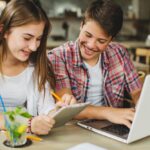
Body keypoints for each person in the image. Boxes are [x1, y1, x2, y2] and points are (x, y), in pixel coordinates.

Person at [48, 0, 142, 128]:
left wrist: (142, 106)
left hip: (112, 127)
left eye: (101, 41)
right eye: (88, 35)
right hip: (75, 129)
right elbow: (66, 108)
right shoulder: (58, 56)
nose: (91, 45)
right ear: (81, 25)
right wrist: (109, 112)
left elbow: (137, 92)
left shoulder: (120, 53)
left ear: (111, 40)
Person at [0, 0, 76, 135]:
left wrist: (59, 111)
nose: (34, 47)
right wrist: (27, 123)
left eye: (38, 39)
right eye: (27, 37)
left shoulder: (35, 67)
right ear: (4, 31)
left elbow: (46, 108)